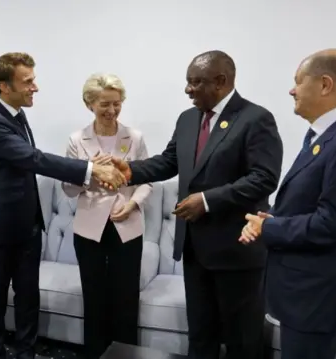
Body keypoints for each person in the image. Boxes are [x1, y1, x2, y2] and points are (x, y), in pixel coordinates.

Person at [108, 50, 284, 359]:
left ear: (221, 81)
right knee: (200, 336)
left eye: (195, 82)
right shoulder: (188, 119)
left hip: (236, 251)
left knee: (242, 340)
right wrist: (131, 170)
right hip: (194, 248)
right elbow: (170, 161)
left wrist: (207, 200)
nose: (188, 90)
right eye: (187, 82)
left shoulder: (256, 119)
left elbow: (264, 178)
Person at [0, 52, 124, 359]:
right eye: (27, 81)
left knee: (28, 298)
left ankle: (26, 353)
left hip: (27, 226)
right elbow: (33, 158)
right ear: (4, 86)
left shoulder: (16, 114)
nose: (35, 87)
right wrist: (90, 169)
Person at [240, 49, 336, 359]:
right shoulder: (325, 137)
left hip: (317, 298)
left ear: (325, 85)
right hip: (302, 293)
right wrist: (269, 219)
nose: (292, 90)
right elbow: (307, 203)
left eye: (298, 81)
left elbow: (333, 224)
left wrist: (271, 227)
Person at [62, 73, 152, 358]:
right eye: (105, 104)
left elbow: (147, 180)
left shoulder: (134, 137)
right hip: (89, 229)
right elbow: (68, 189)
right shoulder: (77, 140)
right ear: (90, 104)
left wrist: (134, 204)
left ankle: (125, 354)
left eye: (117, 103)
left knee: (126, 298)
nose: (112, 111)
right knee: (95, 297)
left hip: (126, 224)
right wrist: (87, 170)